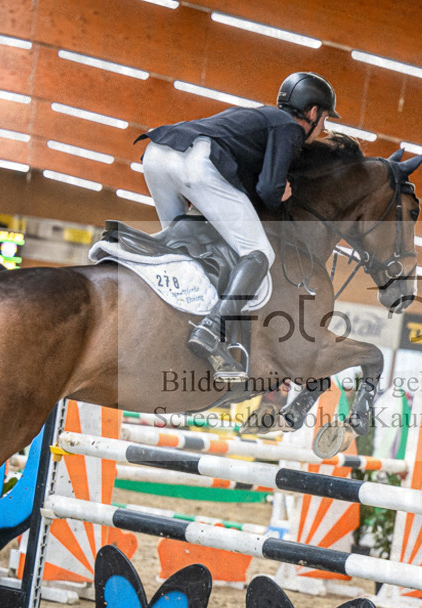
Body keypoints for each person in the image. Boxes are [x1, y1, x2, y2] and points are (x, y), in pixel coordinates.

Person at [138, 72, 340, 380]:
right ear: (312, 113)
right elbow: (269, 190)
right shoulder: (289, 128)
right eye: (324, 119)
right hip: (196, 162)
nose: (322, 129)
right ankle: (212, 328)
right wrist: (282, 192)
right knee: (259, 252)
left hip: (158, 153)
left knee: (181, 249)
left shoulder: (258, 116)